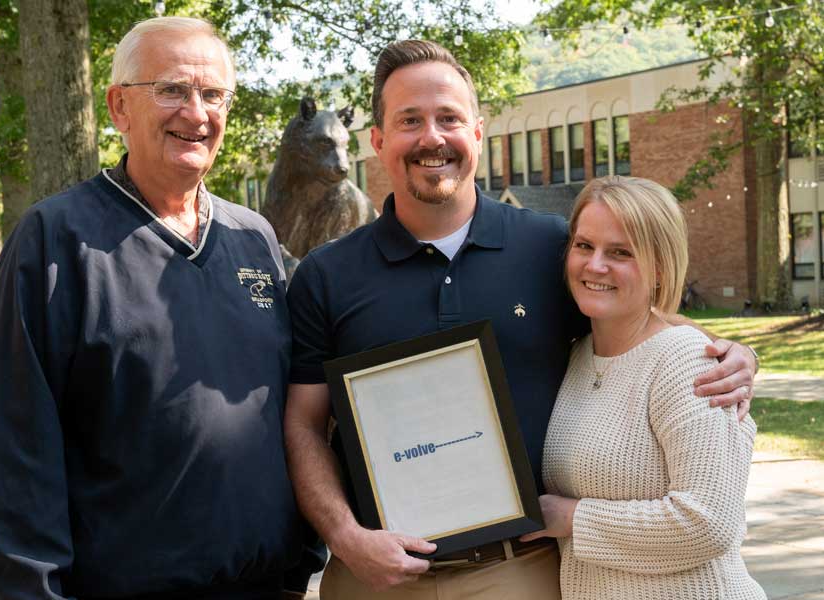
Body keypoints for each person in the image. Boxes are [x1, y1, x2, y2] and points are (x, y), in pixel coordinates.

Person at [284, 40, 759, 599]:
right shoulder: (326, 274)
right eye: (410, 120)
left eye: (449, 118)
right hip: (375, 573)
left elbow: (638, 319)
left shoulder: (553, 247)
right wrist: (344, 536)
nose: (432, 138)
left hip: (523, 571)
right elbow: (304, 425)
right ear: (379, 140)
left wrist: (733, 351)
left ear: (479, 132)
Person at [0, 17, 314, 599]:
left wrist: (302, 564)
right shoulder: (55, 241)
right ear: (119, 107)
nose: (196, 114)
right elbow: (11, 450)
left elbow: (299, 408)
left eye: (213, 94)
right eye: (172, 89)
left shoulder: (254, 238)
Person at [527, 176, 765, 599]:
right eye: (584, 246)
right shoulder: (576, 357)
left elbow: (709, 522)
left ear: (659, 268)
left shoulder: (687, 361)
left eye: (620, 252)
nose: (595, 266)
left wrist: (572, 519)